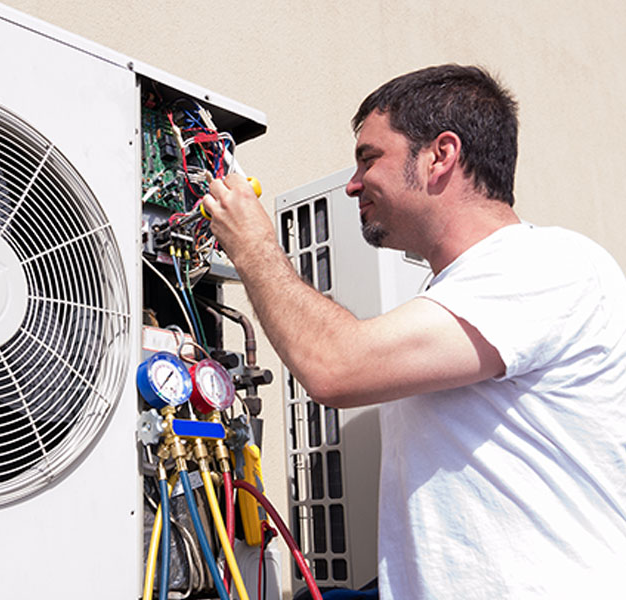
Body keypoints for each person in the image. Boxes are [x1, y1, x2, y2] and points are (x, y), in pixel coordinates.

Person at [203, 64, 626, 598]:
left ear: (440, 155)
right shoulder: (456, 291)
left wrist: (252, 244)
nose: (354, 183)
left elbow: (336, 367)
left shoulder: (541, 264)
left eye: (369, 158)